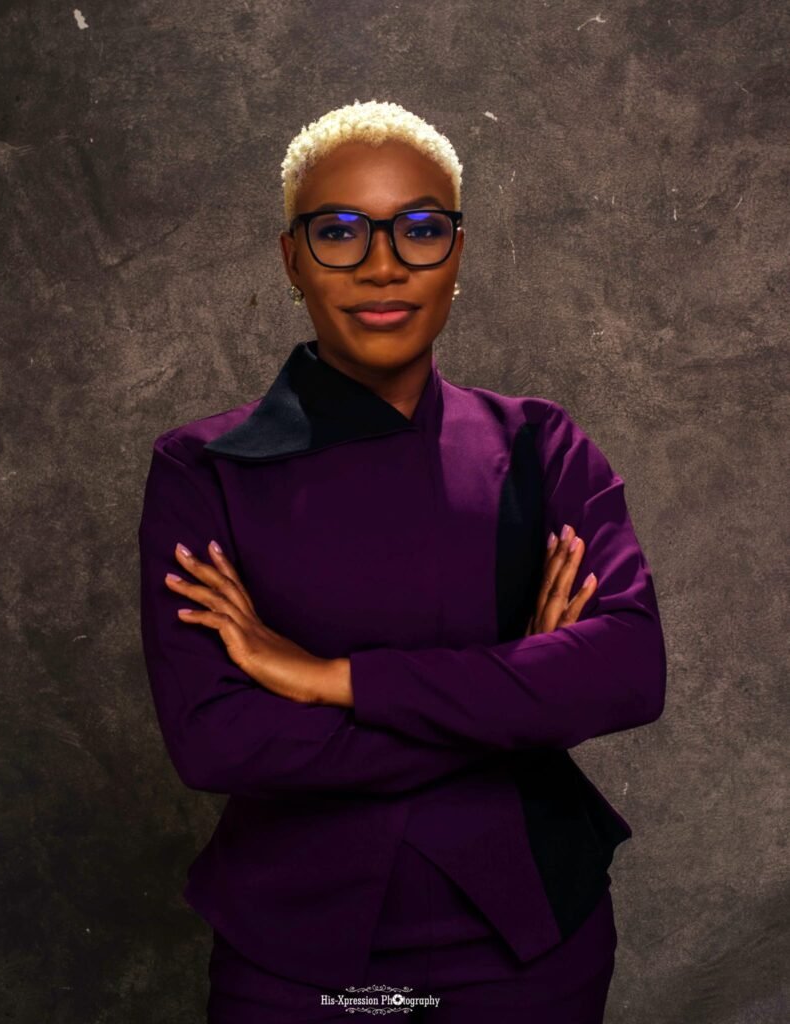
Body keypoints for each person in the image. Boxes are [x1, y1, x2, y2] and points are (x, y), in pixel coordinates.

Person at [137, 99, 667, 1022]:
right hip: (293, 954)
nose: (382, 264)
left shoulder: (541, 443)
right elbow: (217, 740)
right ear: (291, 258)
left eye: (419, 230)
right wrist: (517, 696)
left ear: (457, 254)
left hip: (534, 942)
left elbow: (627, 672)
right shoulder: (202, 469)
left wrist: (330, 679)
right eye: (338, 231)